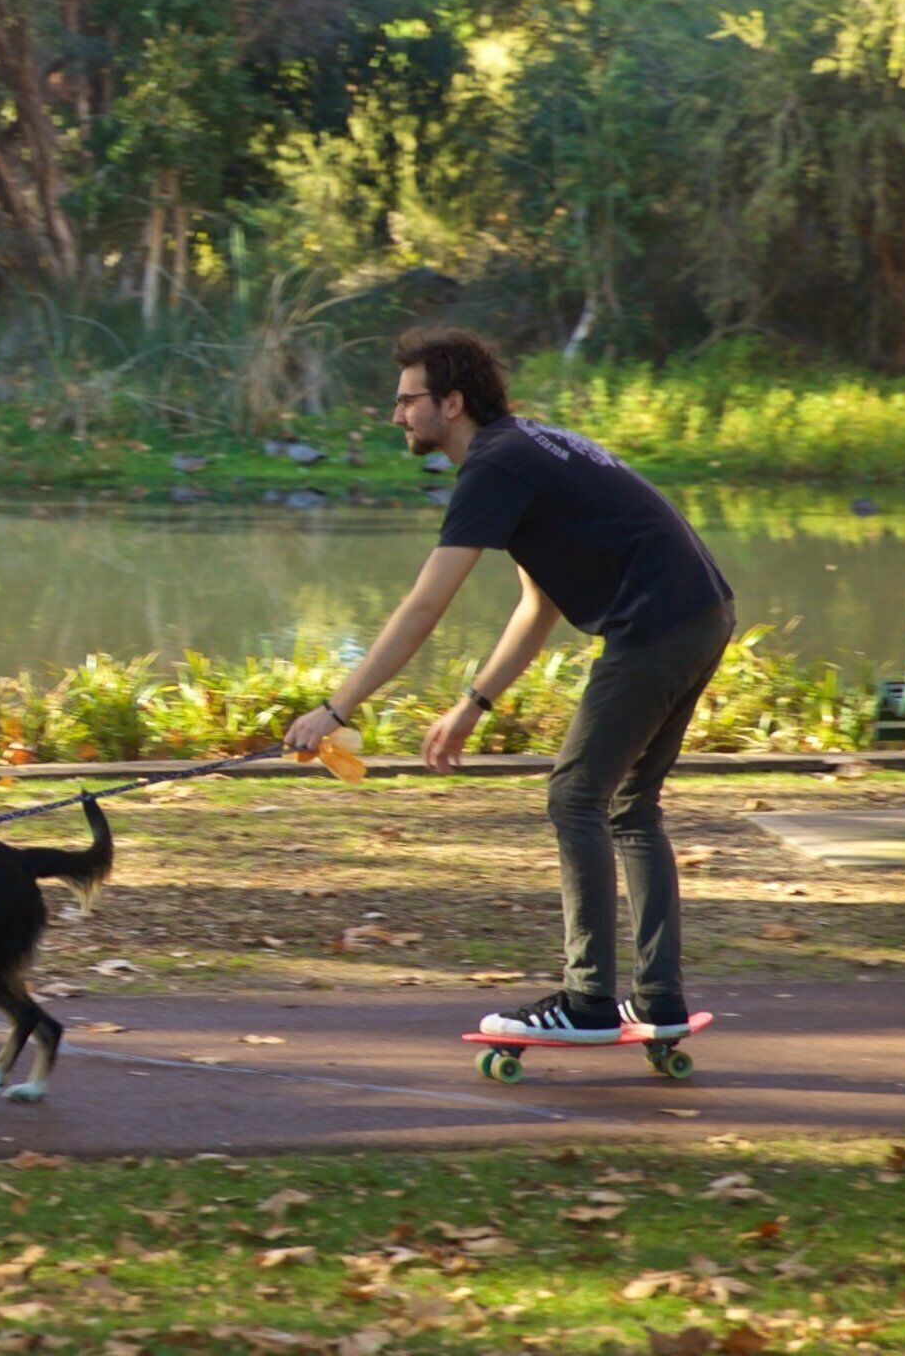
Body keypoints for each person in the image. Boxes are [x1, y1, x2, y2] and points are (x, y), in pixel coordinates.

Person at [282, 326, 737, 1044]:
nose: (397, 416)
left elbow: (424, 606)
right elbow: (540, 603)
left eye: (408, 401)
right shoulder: (523, 449)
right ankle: (658, 1000)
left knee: (574, 797)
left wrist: (337, 708)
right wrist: (475, 703)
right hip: (702, 614)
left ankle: (588, 1001)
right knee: (627, 806)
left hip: (656, 627)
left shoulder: (496, 464)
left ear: (452, 402)